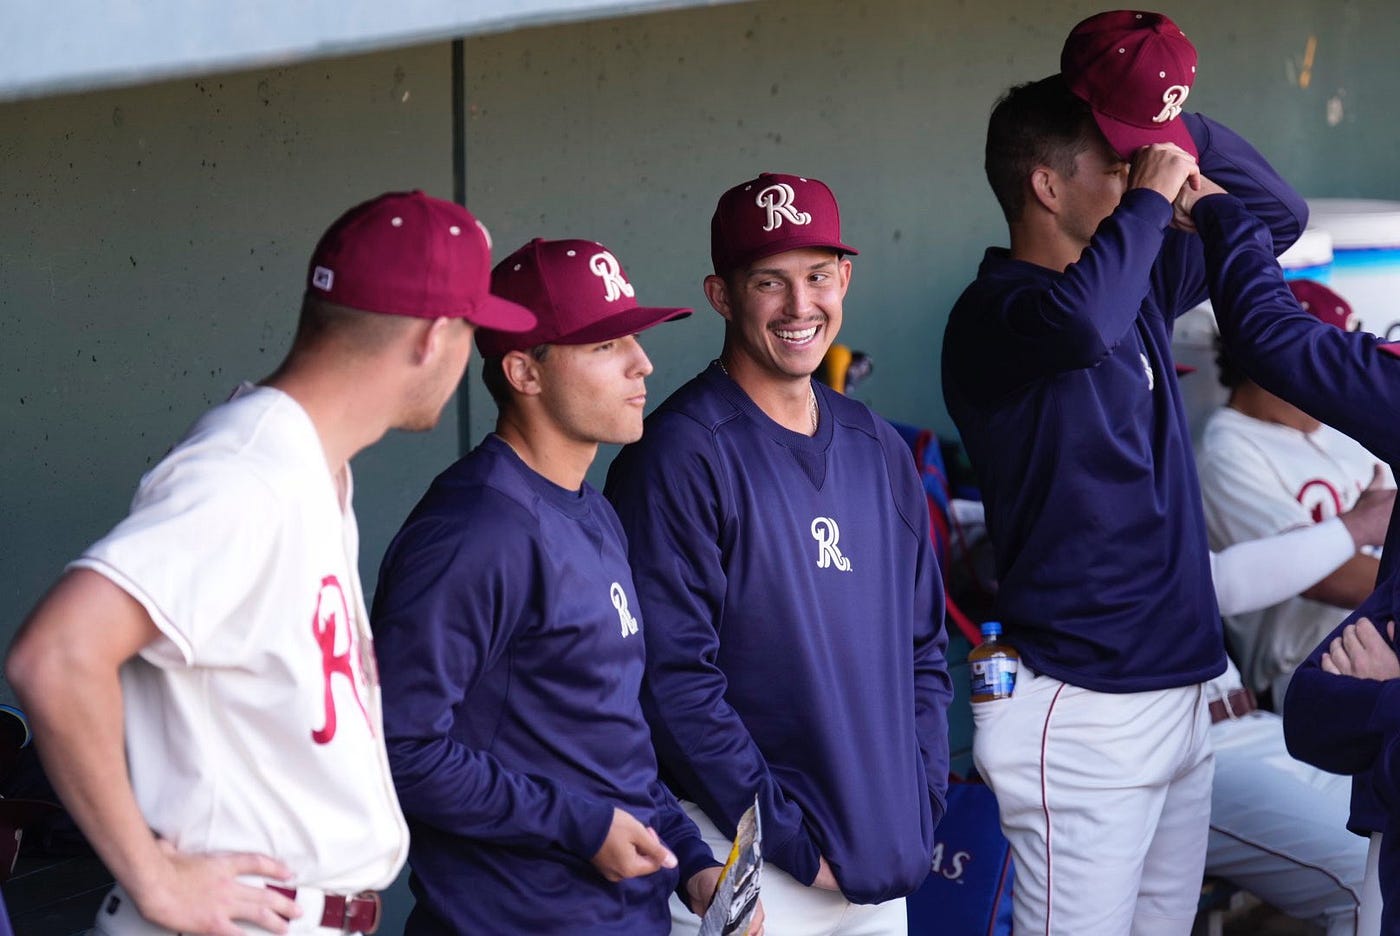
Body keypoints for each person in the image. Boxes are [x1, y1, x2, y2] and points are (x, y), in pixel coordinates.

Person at [3, 190, 537, 935]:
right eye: (470, 329)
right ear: (433, 337)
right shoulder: (247, 473)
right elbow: (55, 656)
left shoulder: (307, 465)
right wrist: (154, 878)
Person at [939, 11, 1307, 933]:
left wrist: (1163, 110)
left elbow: (1276, 218)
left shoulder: (1135, 279)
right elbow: (1077, 325)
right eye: (1119, 164)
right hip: (1083, 706)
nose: (1147, 175)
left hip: (1184, 691)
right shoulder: (993, 313)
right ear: (1045, 186)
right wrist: (1148, 201)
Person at [369, 237, 754, 935]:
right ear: (524, 371)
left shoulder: (593, 507)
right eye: (605, 345)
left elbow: (609, 737)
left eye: (633, 337)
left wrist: (692, 863)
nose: (643, 363)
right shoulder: (475, 529)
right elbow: (399, 749)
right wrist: (580, 825)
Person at [605, 172, 952, 936]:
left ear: (845, 280)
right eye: (770, 281)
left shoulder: (876, 447)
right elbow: (674, 683)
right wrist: (791, 839)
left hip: (873, 864)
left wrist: (918, 803)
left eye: (817, 277)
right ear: (722, 295)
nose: (801, 307)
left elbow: (922, 650)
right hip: (751, 868)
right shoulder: (680, 453)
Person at [1172, 156, 1400, 936]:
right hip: (1274, 694)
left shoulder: (1337, 433)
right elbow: (1327, 595)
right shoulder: (1227, 446)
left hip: (1318, 701)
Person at [1205, 489, 1392, 936]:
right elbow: (1215, 582)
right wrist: (1355, 527)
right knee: (1362, 878)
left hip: (1249, 722)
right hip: (1185, 741)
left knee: (1385, 845)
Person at [1198, 278, 1392, 706]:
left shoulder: (1333, 432)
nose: (1340, 376)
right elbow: (1322, 577)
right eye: (1326, 360)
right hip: (1308, 672)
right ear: (1275, 358)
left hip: (1378, 655)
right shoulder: (1227, 448)